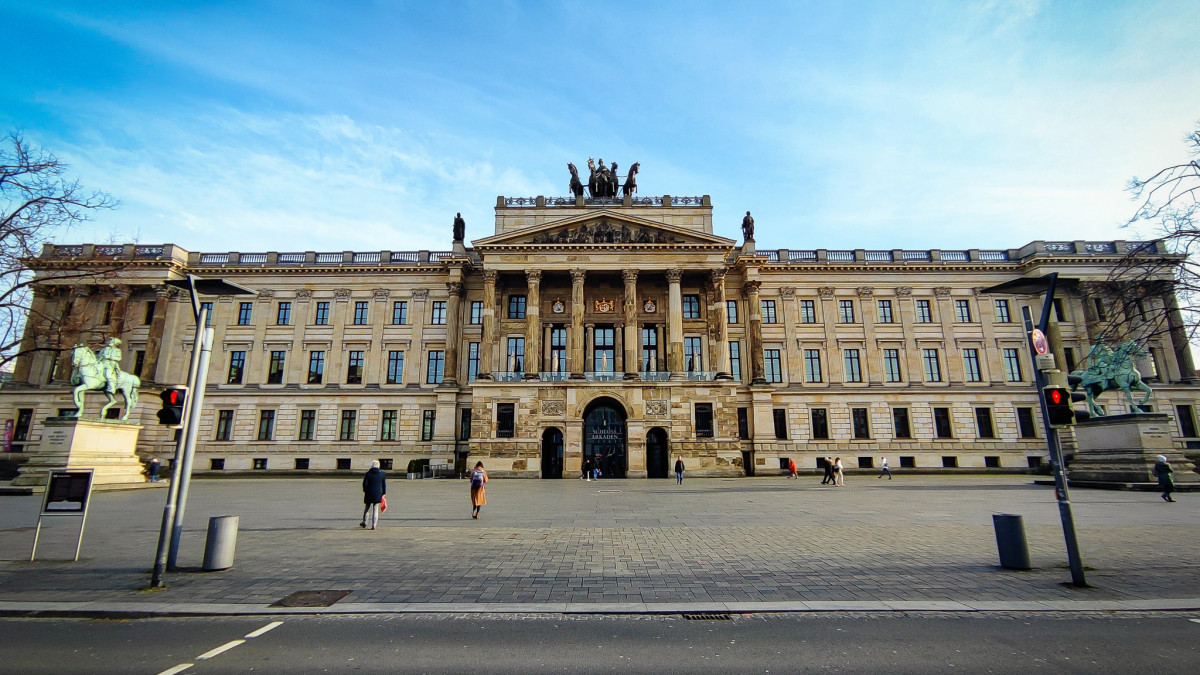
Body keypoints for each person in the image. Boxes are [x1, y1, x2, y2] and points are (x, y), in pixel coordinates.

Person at [361, 459, 386, 530]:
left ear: (371, 465)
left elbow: (365, 484)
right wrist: (383, 493)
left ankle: (365, 522)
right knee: (375, 509)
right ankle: (374, 525)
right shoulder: (382, 474)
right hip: (378, 493)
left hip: (369, 493)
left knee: (367, 508)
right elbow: (384, 485)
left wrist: (365, 490)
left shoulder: (368, 474)